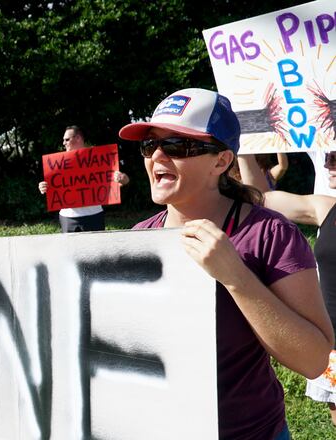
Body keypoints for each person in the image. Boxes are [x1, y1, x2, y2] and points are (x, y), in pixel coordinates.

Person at [119, 88, 333, 440]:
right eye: (149, 145)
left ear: (221, 161)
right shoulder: (138, 237)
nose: (157, 156)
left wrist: (236, 277)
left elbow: (314, 360)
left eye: (176, 145)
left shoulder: (269, 233)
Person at [238, 150, 336, 426]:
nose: (328, 164)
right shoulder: (327, 209)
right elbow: (260, 197)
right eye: (328, 157)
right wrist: (245, 148)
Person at [37, 125, 130, 232]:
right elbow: (51, 185)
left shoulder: (97, 158)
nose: (64, 143)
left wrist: (122, 178)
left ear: (78, 138)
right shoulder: (58, 163)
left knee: (95, 248)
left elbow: (125, 181)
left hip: (94, 215)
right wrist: (43, 187)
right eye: (63, 140)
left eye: (67, 139)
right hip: (68, 217)